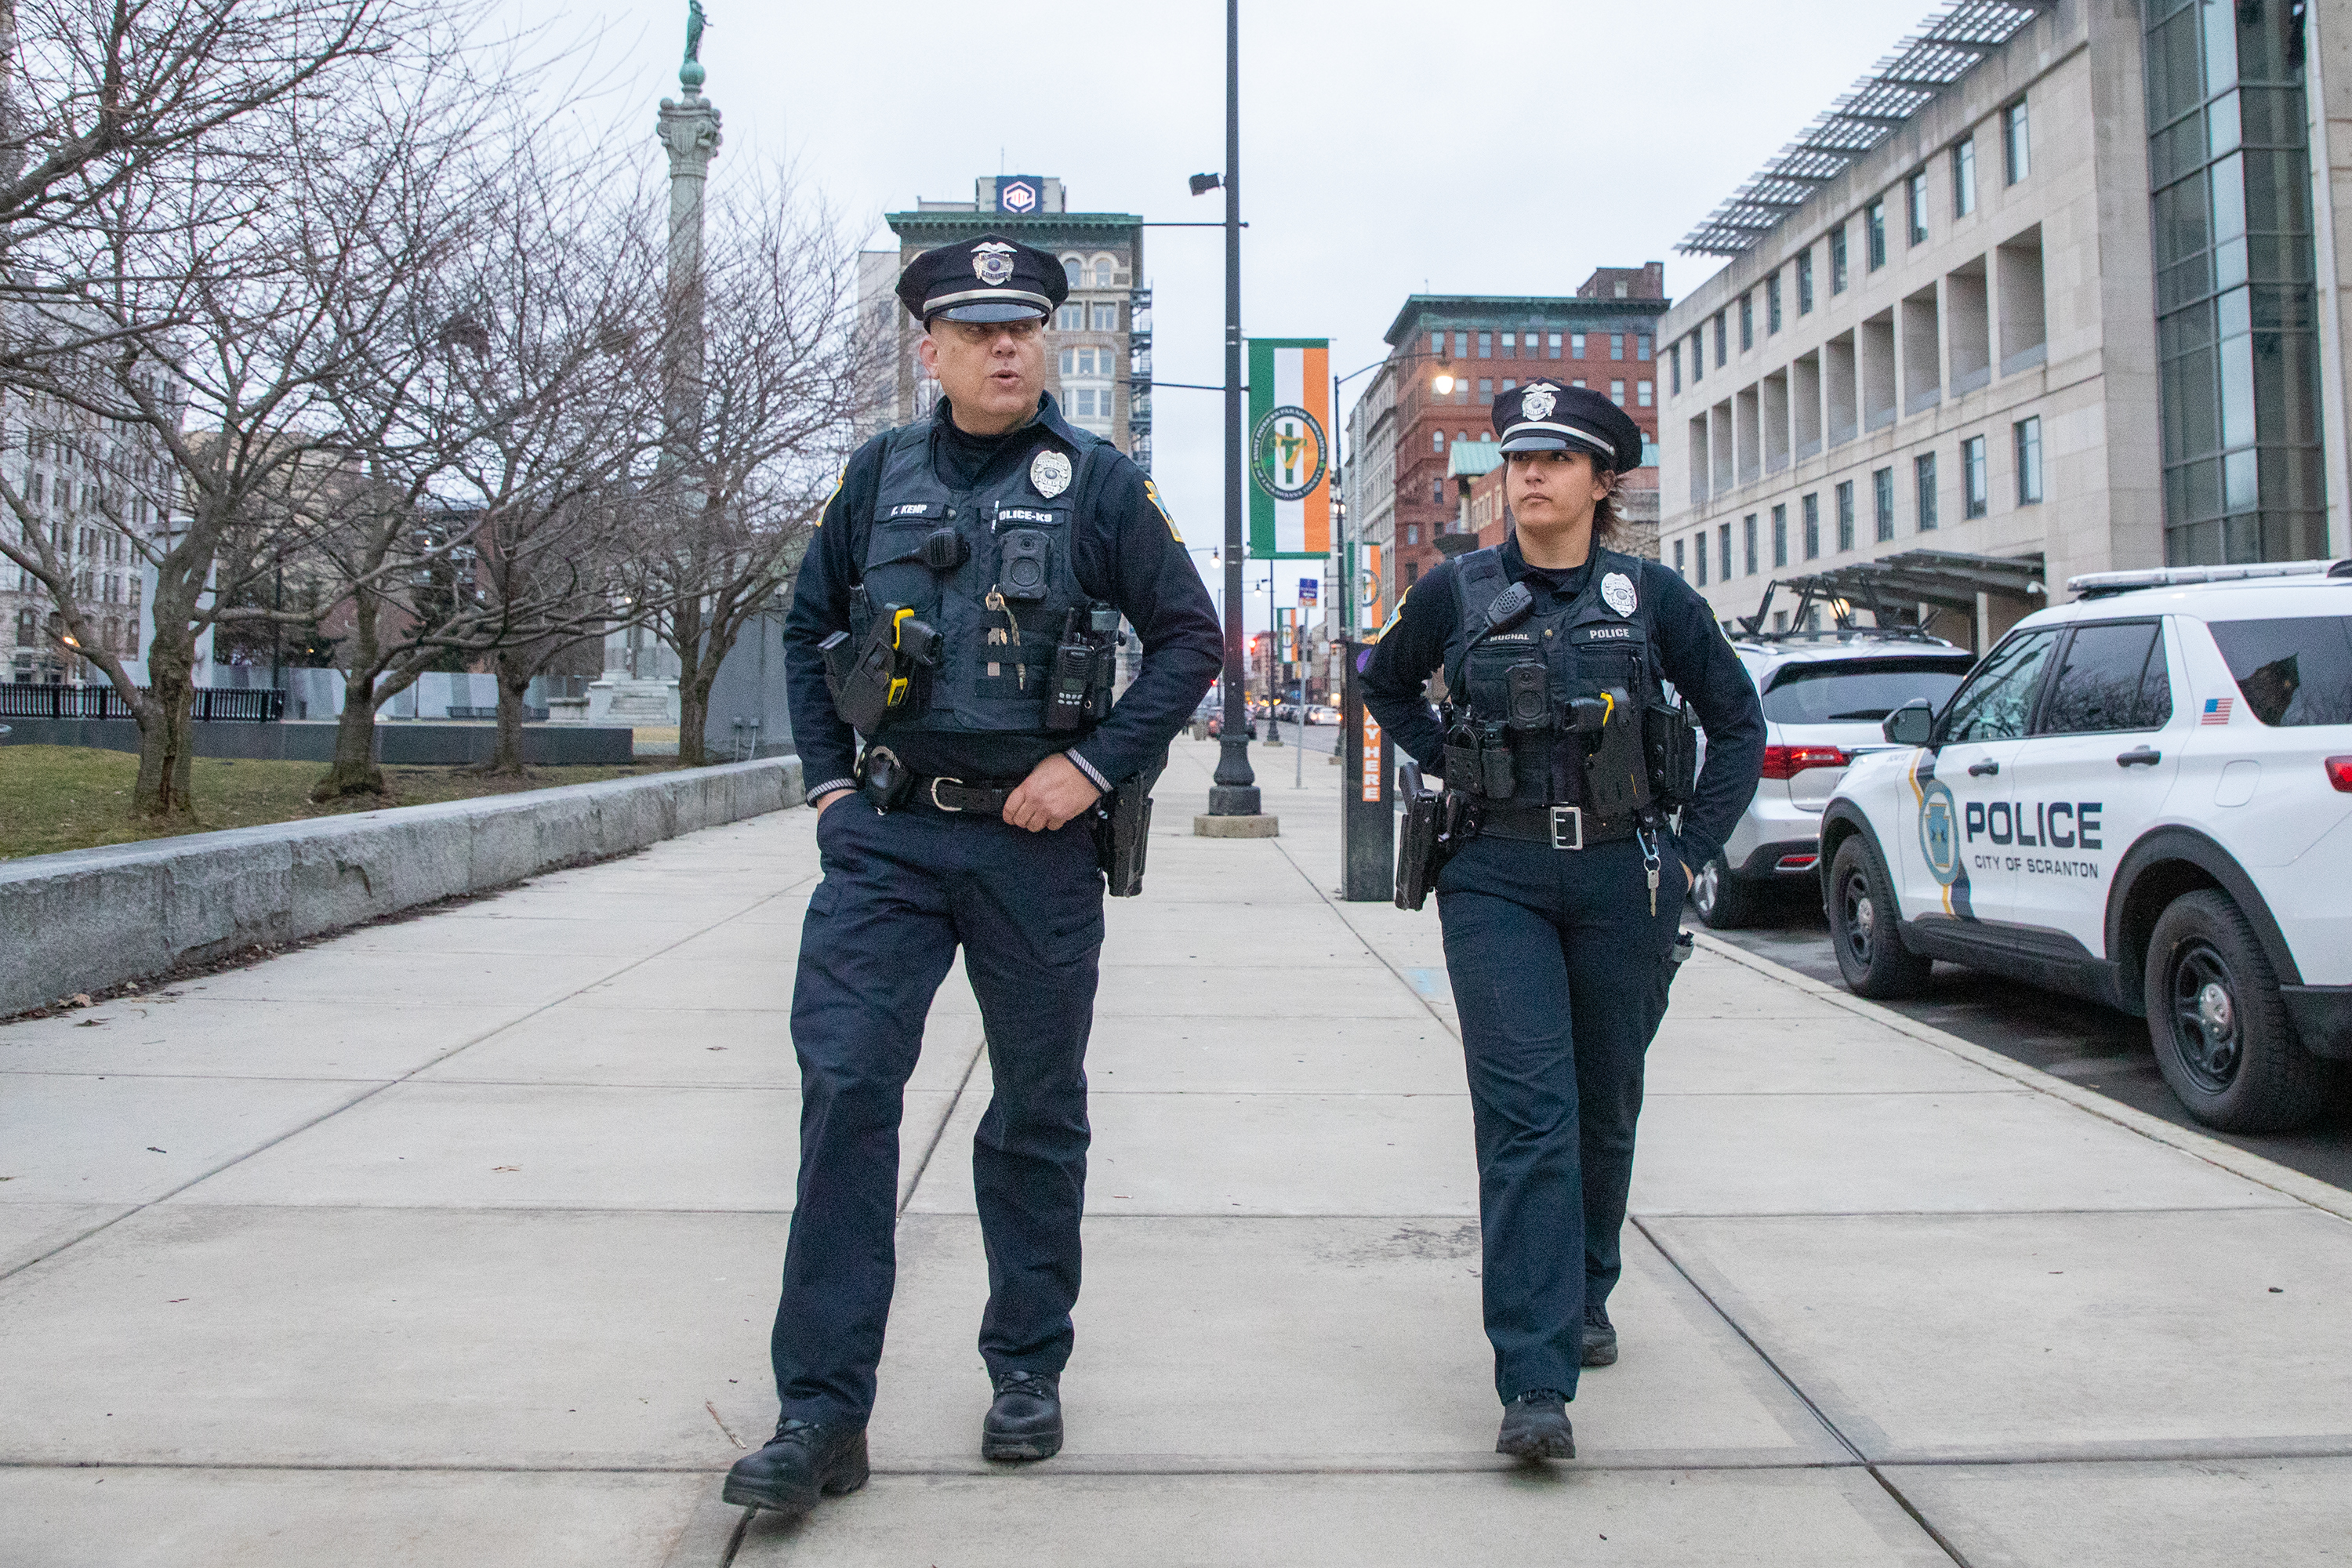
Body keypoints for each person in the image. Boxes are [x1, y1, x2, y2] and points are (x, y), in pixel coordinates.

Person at [724, 234, 1221, 1518]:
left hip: (1033, 844)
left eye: (1027, 327)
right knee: (844, 1092)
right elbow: (808, 625)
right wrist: (830, 785)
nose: (1009, 347)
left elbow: (1188, 640)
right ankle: (822, 1414)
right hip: (886, 841)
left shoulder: (1097, 485)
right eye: (979, 328)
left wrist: (1098, 769)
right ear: (928, 347)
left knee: (1036, 1109)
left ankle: (1025, 1367)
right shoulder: (876, 475)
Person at [1361, 380, 1765, 1461]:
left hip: (1622, 882)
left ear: (1601, 482)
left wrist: (1688, 857)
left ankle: (1586, 1291)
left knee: (1604, 1104)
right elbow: (1385, 684)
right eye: (1519, 457)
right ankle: (1533, 1382)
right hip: (1494, 877)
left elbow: (1738, 723)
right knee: (1530, 1116)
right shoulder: (1458, 592)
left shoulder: (1654, 598)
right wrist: (1451, 763)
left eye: (1557, 459)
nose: (1530, 474)